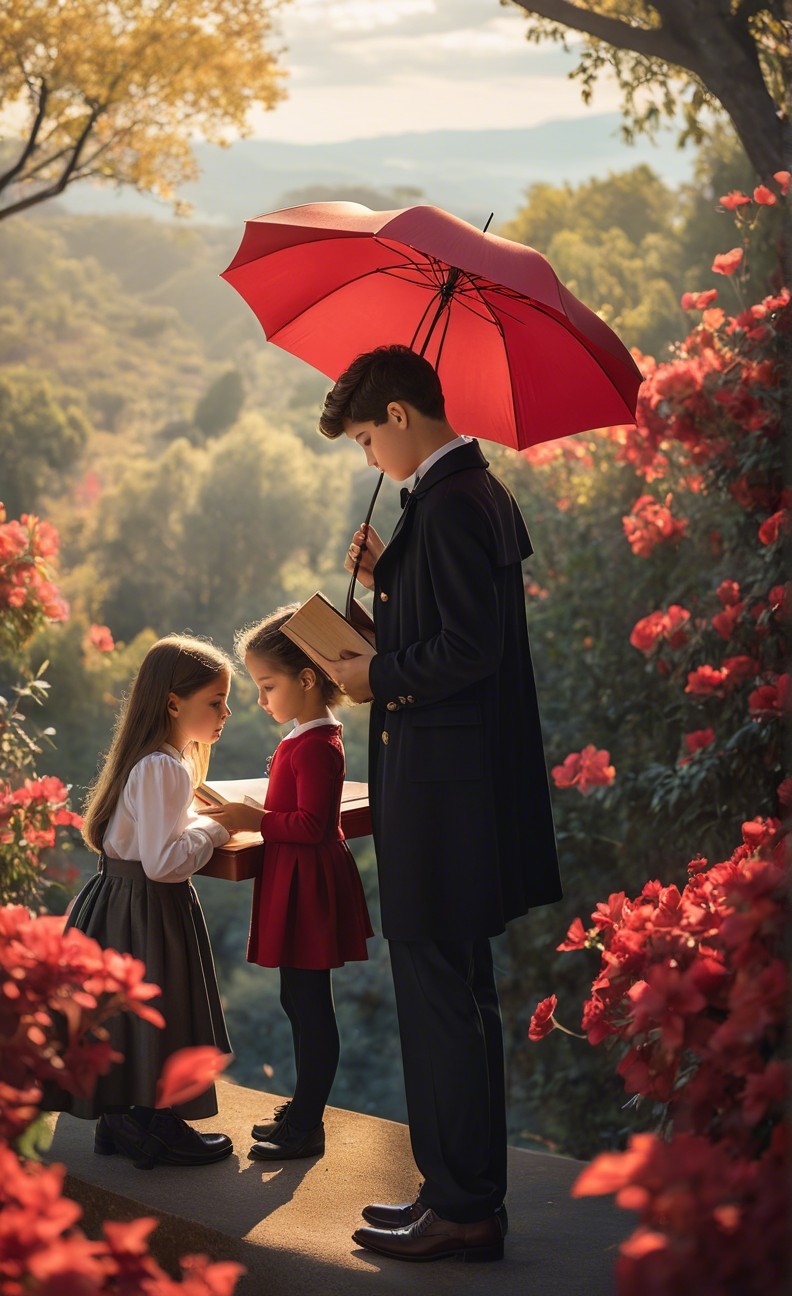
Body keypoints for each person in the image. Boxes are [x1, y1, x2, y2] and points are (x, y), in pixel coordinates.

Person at [315, 344, 562, 1263]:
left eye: (366, 438)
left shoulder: (454, 504)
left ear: (400, 419)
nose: (367, 458)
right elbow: (451, 630)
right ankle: (459, 1195)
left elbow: (468, 652)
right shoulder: (463, 498)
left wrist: (372, 674)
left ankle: (460, 1205)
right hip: (453, 794)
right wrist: (387, 577)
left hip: (443, 800)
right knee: (458, 997)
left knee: (438, 998)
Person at [61, 635, 235, 1169]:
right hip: (147, 902)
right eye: (215, 702)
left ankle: (124, 1121)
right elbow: (163, 861)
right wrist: (214, 830)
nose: (225, 713)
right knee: (160, 1008)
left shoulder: (153, 760)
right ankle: (149, 1123)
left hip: (121, 898)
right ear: (173, 702)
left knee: (135, 1017)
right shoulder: (163, 767)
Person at [205, 607, 373, 1162]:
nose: (261, 700)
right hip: (295, 878)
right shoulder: (304, 739)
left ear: (306, 680)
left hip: (309, 885)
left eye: (267, 685)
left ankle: (307, 1122)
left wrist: (253, 819)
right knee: (297, 999)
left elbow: (315, 825)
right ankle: (302, 1108)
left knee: (308, 1004)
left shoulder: (319, 746)